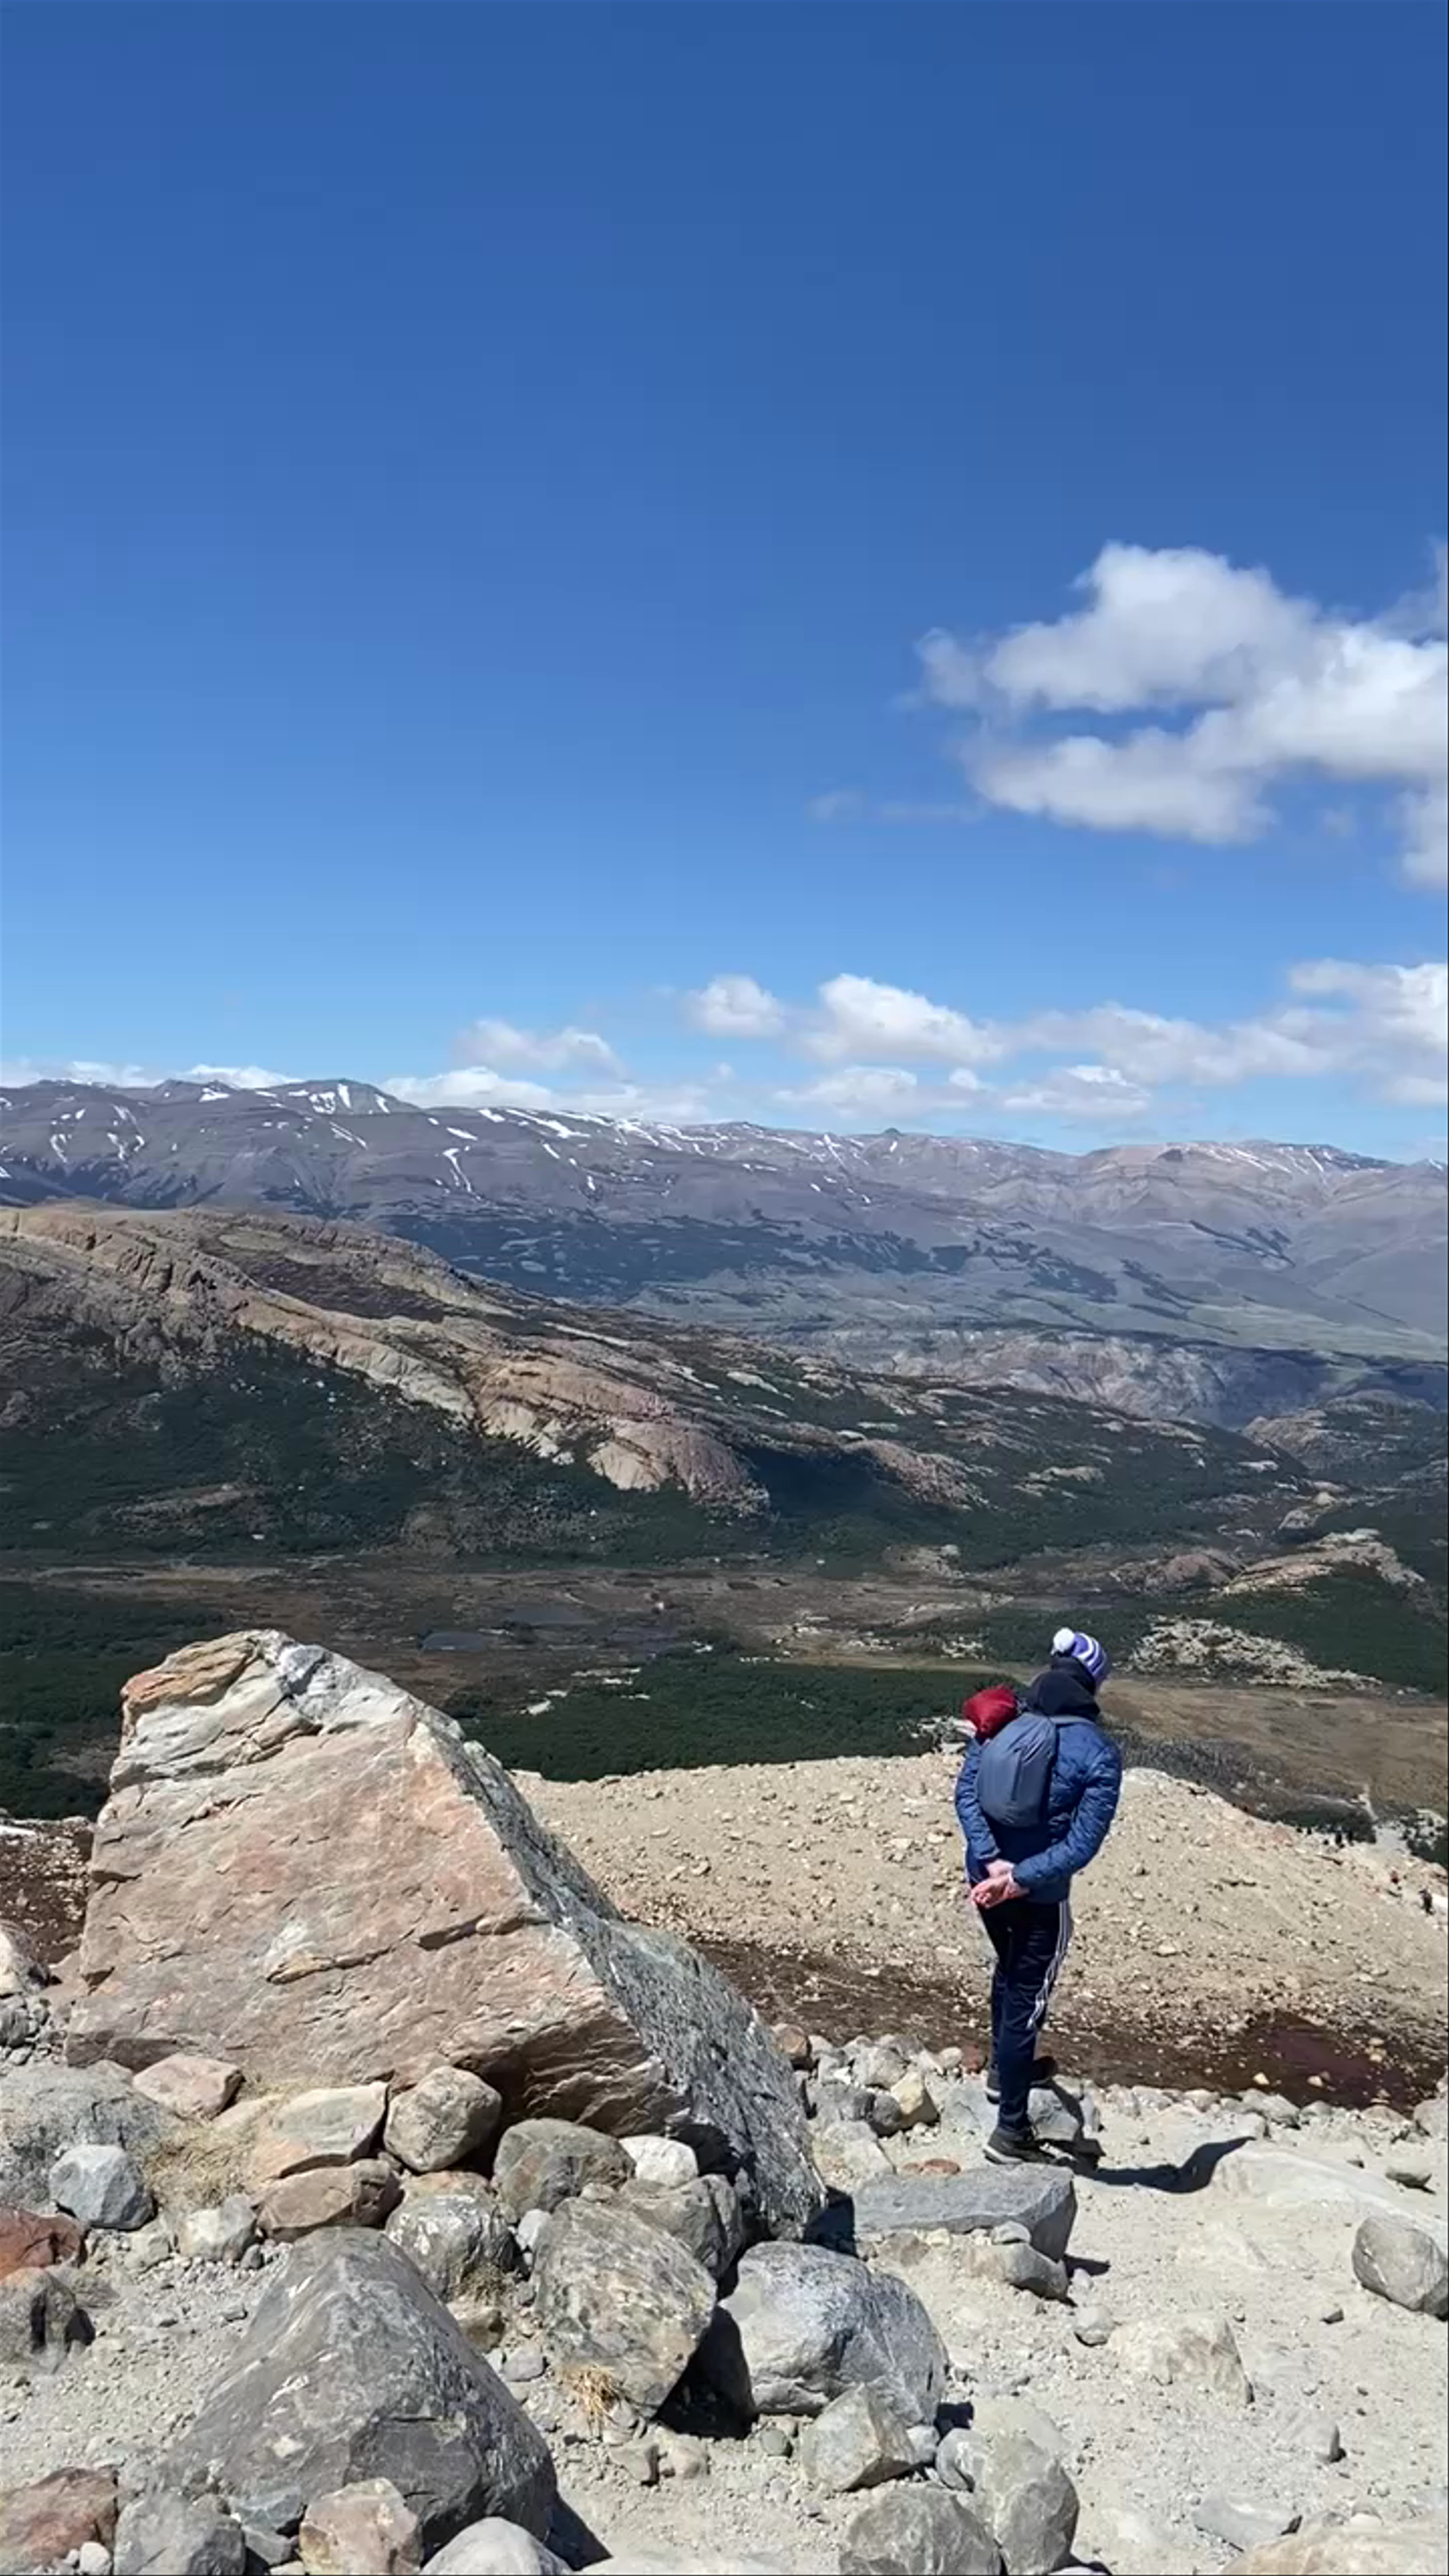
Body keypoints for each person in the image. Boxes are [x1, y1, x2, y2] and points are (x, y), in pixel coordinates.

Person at [954, 1627, 1123, 2164]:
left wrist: (994, 1862)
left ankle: (1006, 2073)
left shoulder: (1001, 1720)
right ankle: (1011, 2133)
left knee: (1007, 1970)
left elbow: (966, 1795)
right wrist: (1023, 1876)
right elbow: (1081, 1843)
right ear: (1092, 1685)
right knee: (1028, 1996)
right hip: (1039, 1893)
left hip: (984, 1880)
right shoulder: (1098, 1751)